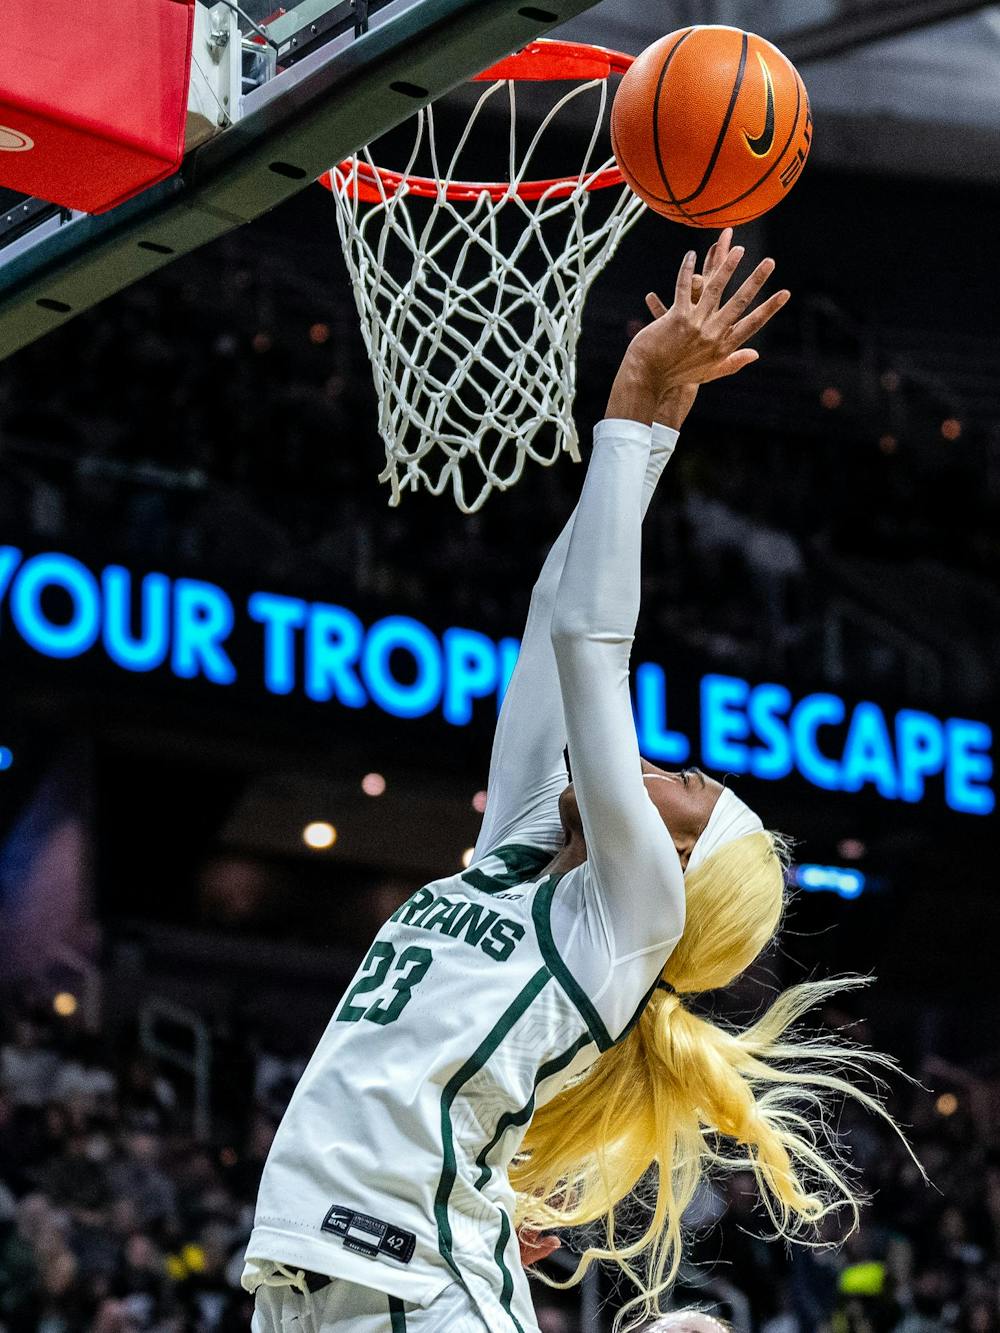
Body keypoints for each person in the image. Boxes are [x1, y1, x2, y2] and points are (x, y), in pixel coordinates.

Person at [243, 232, 903, 1333]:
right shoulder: (513, 855)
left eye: (676, 784)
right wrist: (648, 438)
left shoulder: (633, 911)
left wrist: (631, 393)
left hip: (410, 1286)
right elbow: (560, 618)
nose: (641, 763)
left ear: (677, 861)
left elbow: (599, 646)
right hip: (346, 1276)